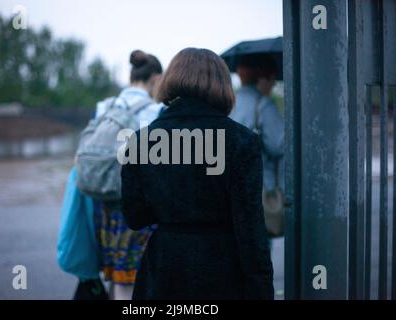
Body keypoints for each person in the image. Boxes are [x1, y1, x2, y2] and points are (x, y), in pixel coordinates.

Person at [121, 48, 274, 299]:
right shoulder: (242, 141)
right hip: (223, 272)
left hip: (163, 272)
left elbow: (135, 216)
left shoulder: (140, 141)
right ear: (222, 84)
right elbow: (251, 229)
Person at [96, 50, 163, 300]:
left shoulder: (105, 106)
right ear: (156, 79)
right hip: (137, 205)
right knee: (135, 275)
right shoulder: (155, 113)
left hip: (105, 202)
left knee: (116, 272)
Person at [229, 54, 284, 194]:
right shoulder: (264, 106)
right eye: (273, 79)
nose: (273, 85)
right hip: (260, 188)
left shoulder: (228, 102)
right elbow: (279, 146)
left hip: (230, 185)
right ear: (264, 77)